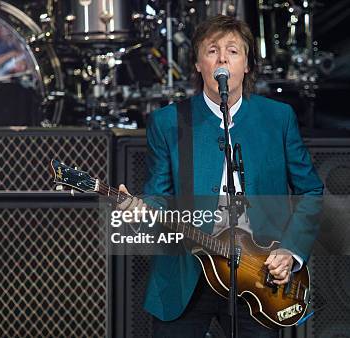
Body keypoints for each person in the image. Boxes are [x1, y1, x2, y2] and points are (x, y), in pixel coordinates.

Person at [117, 15, 323, 337]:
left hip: (259, 277)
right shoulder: (168, 122)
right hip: (187, 275)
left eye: (233, 51)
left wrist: (291, 251)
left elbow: (311, 191)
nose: (222, 59)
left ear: (247, 65)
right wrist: (139, 208)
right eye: (212, 50)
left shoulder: (278, 118)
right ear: (199, 64)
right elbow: (158, 193)